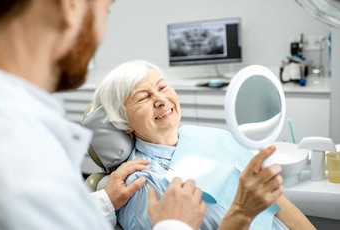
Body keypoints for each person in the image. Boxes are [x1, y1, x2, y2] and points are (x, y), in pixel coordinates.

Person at [0, 0, 203, 229]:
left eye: (162, 87)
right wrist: (174, 225)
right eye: (107, 9)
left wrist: (105, 201)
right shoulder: (17, 157)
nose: (102, 31)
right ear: (70, 5)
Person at [92, 60, 316, 230]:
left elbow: (275, 200)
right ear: (123, 120)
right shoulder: (141, 183)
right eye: (143, 98)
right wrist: (242, 211)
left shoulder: (213, 136)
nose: (160, 100)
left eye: (162, 87)